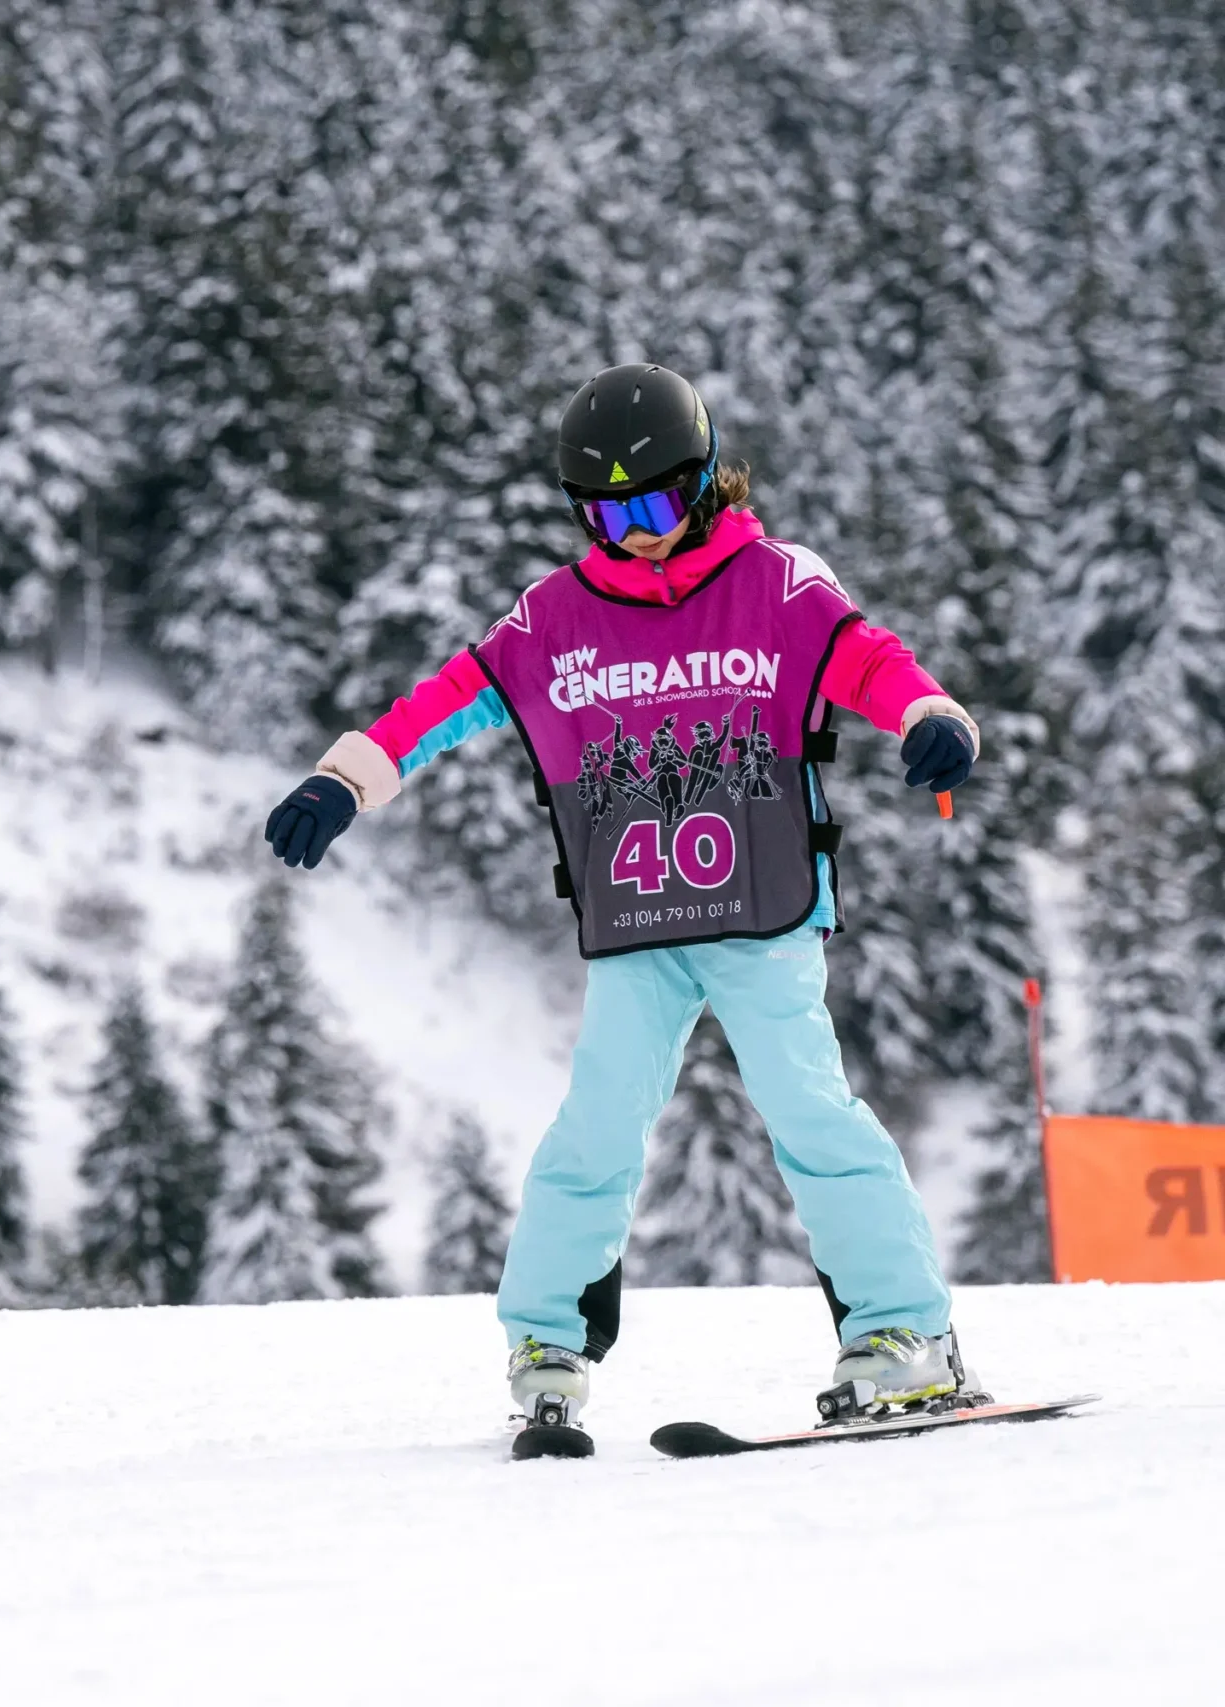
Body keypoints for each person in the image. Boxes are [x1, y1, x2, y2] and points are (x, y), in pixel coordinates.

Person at [264, 363, 982, 1448]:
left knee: (809, 1117)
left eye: (649, 506)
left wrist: (931, 713)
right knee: (594, 1129)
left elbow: (868, 662)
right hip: (641, 922)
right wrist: (344, 778)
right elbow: (444, 703)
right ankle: (547, 1344)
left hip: (763, 914)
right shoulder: (556, 617)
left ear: (699, 486)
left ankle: (902, 1336)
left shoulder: (777, 586)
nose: (631, 532)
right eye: (604, 514)